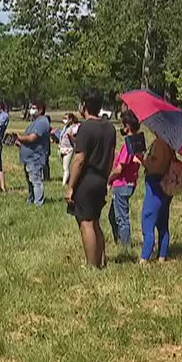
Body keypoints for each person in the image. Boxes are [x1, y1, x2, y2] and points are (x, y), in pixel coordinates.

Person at [65, 93, 115, 268]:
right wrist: (106, 177)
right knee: (95, 221)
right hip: (101, 178)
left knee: (85, 222)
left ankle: (91, 265)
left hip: (86, 180)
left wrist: (71, 186)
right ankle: (101, 260)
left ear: (85, 105)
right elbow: (111, 156)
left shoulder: (86, 128)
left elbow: (79, 160)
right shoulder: (109, 128)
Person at [140, 133, 178, 263]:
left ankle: (145, 258)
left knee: (148, 220)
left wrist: (142, 160)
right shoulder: (170, 143)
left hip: (156, 185)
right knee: (162, 222)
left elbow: (156, 166)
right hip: (166, 186)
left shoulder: (160, 143)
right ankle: (162, 255)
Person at [108, 110, 143, 247]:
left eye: (122, 124)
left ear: (127, 126)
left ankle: (125, 246)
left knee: (121, 218)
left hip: (122, 184)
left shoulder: (129, 144)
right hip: (130, 183)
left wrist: (109, 178)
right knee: (112, 215)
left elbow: (119, 169)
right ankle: (119, 240)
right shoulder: (138, 142)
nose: (121, 127)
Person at [16, 101, 52, 206]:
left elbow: (32, 138)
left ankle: (38, 202)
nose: (31, 110)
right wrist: (21, 143)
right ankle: (32, 198)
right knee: (30, 180)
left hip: (35, 157)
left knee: (36, 180)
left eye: (34, 108)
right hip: (28, 157)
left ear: (40, 110)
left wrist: (21, 139)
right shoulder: (35, 121)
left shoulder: (42, 122)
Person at [59, 113, 81, 186]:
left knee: (66, 167)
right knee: (64, 166)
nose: (64, 120)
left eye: (66, 118)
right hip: (63, 148)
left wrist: (71, 135)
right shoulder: (65, 127)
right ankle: (68, 179)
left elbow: (76, 139)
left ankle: (64, 183)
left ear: (70, 119)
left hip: (69, 149)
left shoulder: (73, 128)